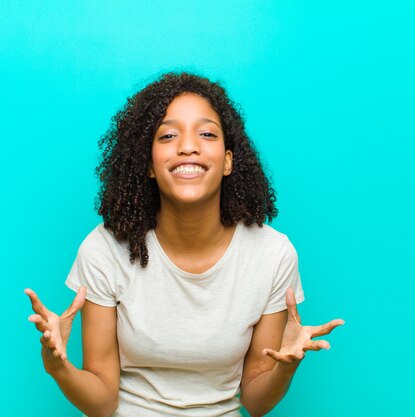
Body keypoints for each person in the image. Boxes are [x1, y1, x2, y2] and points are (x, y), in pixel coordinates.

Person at [25, 72, 344, 417]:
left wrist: (285, 366)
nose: (188, 146)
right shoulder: (104, 249)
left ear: (227, 161)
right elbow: (103, 401)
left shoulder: (272, 255)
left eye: (206, 133)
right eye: (168, 135)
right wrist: (59, 367)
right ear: (148, 164)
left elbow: (255, 400)